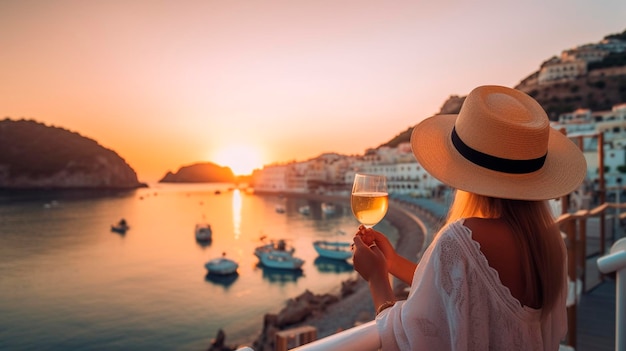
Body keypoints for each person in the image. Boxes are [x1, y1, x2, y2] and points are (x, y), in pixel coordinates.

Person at [352, 85, 587, 350]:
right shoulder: (548, 241)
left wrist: (376, 279)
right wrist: (393, 262)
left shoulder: (462, 239)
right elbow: (463, 288)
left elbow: (409, 337)